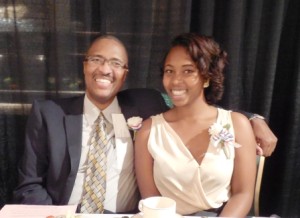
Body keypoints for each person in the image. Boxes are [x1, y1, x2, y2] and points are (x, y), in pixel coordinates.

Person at [13, 34, 275, 214]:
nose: (105, 69)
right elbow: (29, 185)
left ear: (125, 73)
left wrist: (254, 119)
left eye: (116, 63)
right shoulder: (49, 114)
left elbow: (198, 108)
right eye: (96, 60)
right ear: (83, 66)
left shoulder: (144, 104)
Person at [134, 33, 257, 217]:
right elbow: (151, 198)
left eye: (188, 71)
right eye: (169, 71)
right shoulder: (148, 131)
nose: (175, 81)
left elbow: (243, 194)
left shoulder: (237, 124)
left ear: (207, 77)